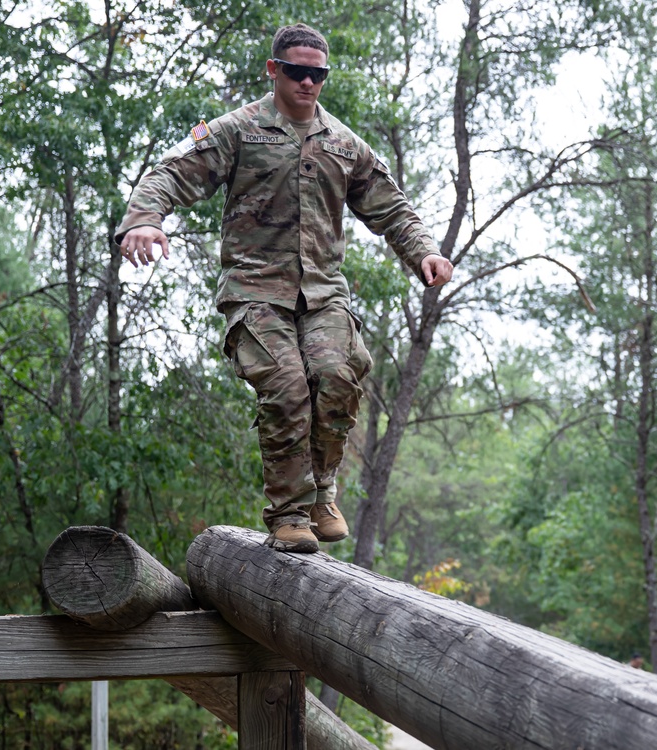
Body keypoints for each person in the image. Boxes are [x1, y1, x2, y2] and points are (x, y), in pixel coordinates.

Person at [114, 23, 453, 553]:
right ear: (274, 70)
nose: (308, 83)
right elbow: (171, 172)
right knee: (288, 387)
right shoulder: (238, 130)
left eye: (317, 74)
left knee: (339, 374)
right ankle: (289, 513)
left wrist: (425, 252)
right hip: (255, 291)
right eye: (296, 71)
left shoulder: (343, 143)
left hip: (322, 293)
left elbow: (391, 206)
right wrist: (143, 219)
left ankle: (321, 493)